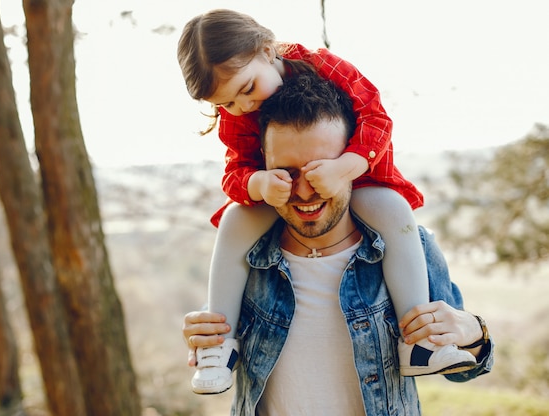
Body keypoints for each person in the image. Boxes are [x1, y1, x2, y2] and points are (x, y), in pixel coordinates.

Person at [177, 9, 474, 394]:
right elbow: (234, 172)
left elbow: (376, 116)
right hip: (275, 191)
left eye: (247, 89)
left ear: (269, 51)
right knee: (236, 218)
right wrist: (260, 183)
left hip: (360, 174)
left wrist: (342, 167)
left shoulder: (324, 68)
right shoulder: (238, 115)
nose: (242, 108)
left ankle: (420, 341)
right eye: (226, 104)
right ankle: (219, 346)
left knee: (394, 213)